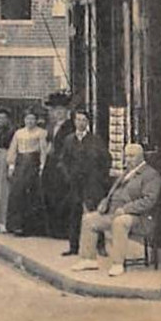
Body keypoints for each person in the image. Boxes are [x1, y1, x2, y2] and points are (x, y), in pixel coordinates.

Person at [72, 143, 161, 277]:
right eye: (126, 156)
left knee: (120, 222)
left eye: (132, 156)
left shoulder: (150, 175)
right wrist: (105, 202)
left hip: (140, 217)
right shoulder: (126, 173)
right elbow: (114, 192)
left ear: (141, 157)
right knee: (89, 220)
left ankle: (117, 263)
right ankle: (88, 259)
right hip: (114, 212)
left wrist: (126, 209)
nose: (128, 159)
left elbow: (149, 200)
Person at [60, 108, 111, 256]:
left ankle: (100, 246)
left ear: (88, 123)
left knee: (95, 213)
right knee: (74, 214)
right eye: (78, 120)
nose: (80, 123)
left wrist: (100, 177)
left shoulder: (95, 140)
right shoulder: (69, 140)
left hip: (92, 182)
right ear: (74, 121)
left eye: (83, 120)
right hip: (75, 183)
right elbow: (63, 160)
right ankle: (73, 246)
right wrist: (68, 175)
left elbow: (106, 159)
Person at [5, 109, 48, 236]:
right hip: (20, 164)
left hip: (33, 164)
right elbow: (13, 149)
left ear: (36, 120)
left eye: (32, 119)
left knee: (31, 193)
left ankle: (31, 227)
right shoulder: (19, 133)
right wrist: (11, 165)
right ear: (24, 120)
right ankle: (16, 225)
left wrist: (42, 166)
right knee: (17, 193)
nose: (30, 121)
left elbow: (43, 150)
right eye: (27, 119)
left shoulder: (41, 133)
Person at [41, 93, 75, 240]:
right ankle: (53, 229)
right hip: (51, 165)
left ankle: (63, 230)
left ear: (66, 112)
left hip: (62, 165)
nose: (58, 113)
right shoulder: (52, 126)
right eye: (56, 111)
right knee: (50, 195)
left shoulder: (70, 126)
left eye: (61, 110)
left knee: (62, 196)